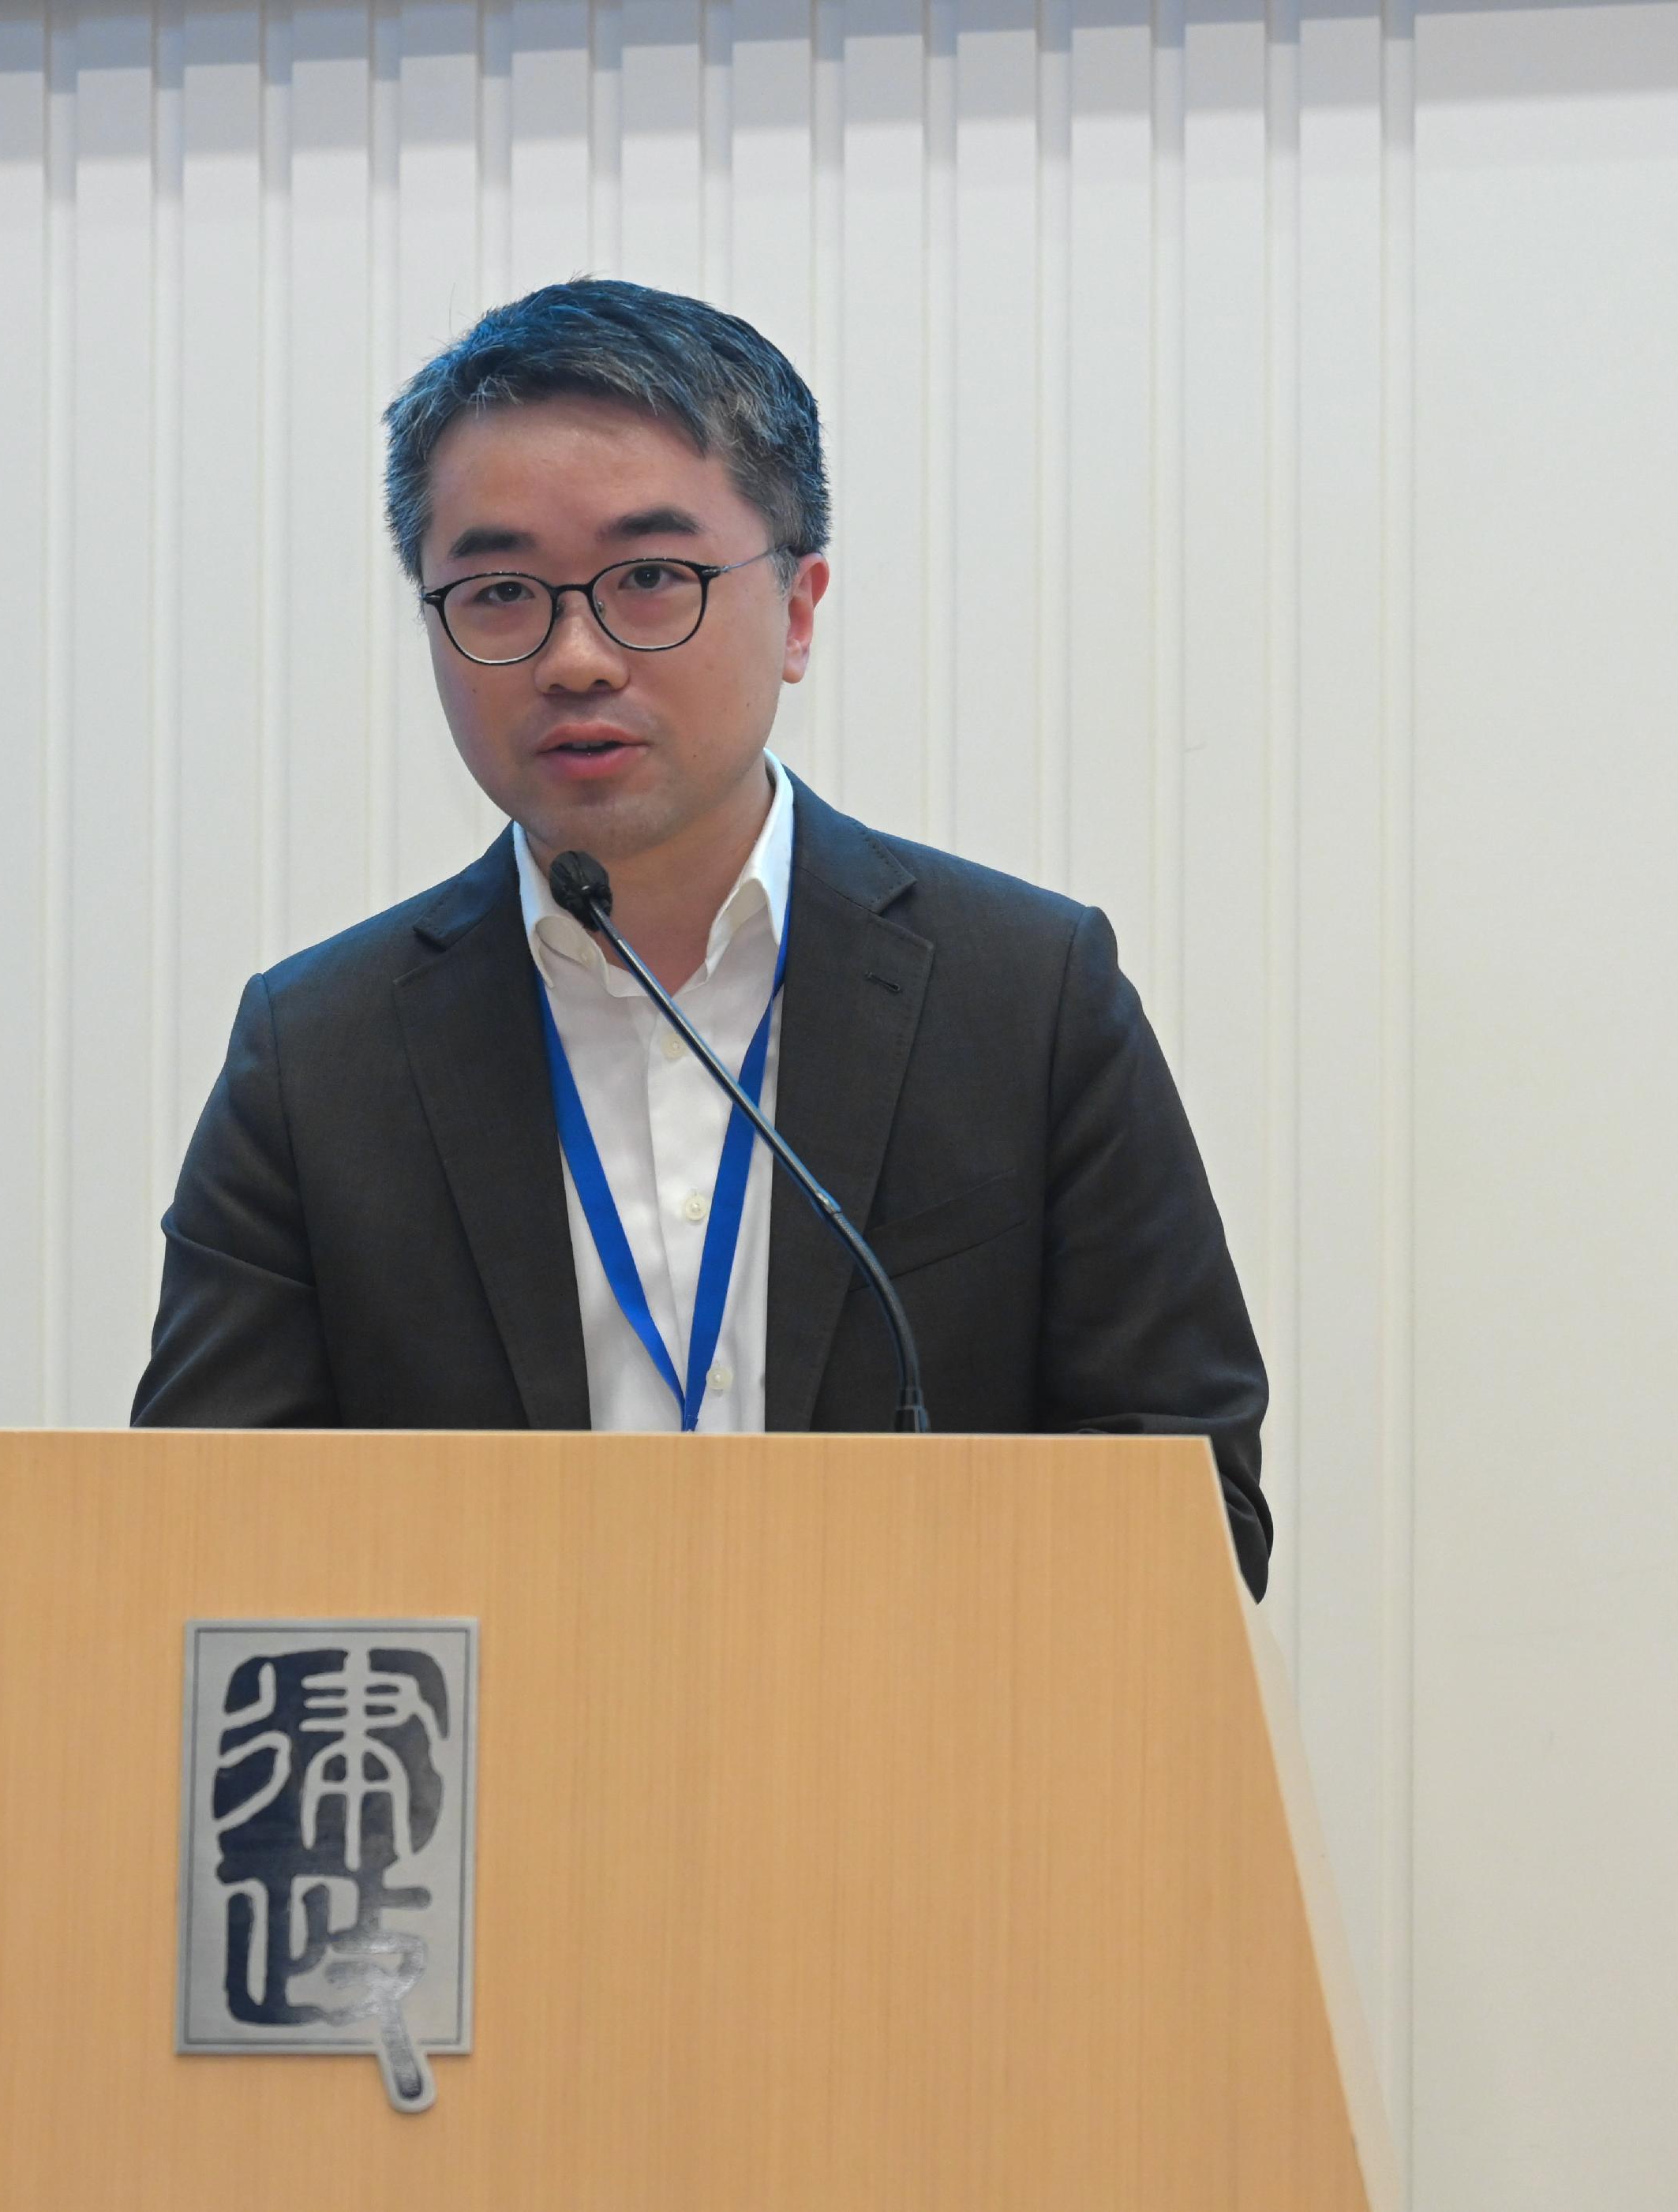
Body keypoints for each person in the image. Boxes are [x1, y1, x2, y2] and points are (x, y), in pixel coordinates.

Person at [131, 278, 1272, 1597]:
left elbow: (1195, 1512)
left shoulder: (1026, 998)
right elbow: (206, 1537)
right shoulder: (318, 1055)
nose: (573, 656)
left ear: (797, 610)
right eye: (499, 591)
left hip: (915, 1775)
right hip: (510, 1785)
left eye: (652, 579)